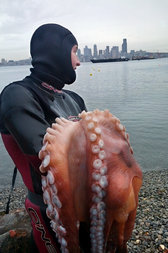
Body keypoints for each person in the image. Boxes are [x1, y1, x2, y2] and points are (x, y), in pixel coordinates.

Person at [0, 23, 90, 252]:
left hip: (88, 203)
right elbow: (47, 161)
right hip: (49, 209)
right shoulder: (17, 95)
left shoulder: (74, 98)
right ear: (57, 52)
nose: (78, 61)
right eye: (74, 51)